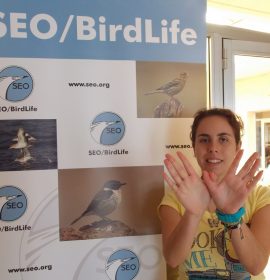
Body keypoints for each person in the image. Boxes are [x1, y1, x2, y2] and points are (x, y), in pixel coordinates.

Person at [158, 108, 270, 280]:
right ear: (194, 148)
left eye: (223, 139)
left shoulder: (260, 196)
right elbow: (173, 259)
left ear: (237, 147)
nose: (213, 148)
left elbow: (256, 266)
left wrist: (231, 216)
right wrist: (194, 213)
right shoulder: (176, 197)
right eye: (204, 140)